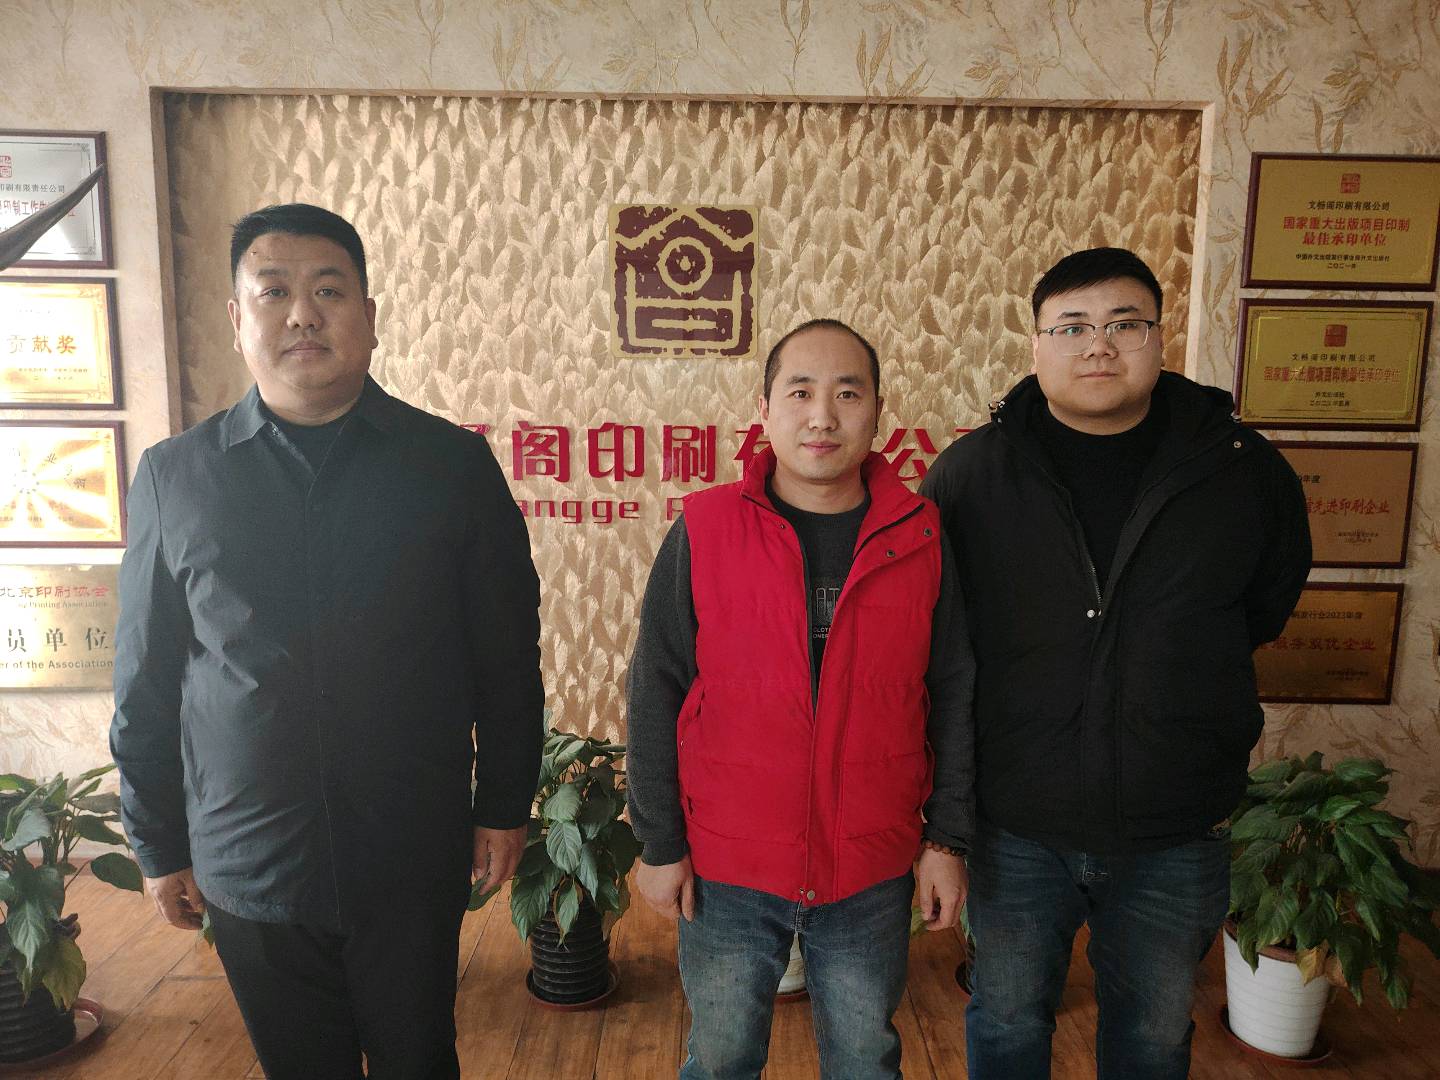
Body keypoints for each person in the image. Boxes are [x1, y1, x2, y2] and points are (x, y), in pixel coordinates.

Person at [110, 203, 544, 1080]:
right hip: (248, 854)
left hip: (409, 847)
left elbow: (505, 657)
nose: (302, 314)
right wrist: (157, 842)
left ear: (370, 317)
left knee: (420, 1059)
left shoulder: (451, 468)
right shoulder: (175, 477)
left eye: (329, 291)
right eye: (274, 292)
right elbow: (146, 677)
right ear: (238, 319)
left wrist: (503, 803)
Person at [921, 246, 1311, 1079]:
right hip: (1016, 823)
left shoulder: (1242, 472)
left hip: (1175, 821)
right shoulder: (972, 475)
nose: (1098, 345)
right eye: (1072, 327)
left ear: (1159, 337)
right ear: (1036, 346)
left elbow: (1263, 606)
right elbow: (940, 644)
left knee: (1154, 1034)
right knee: (1008, 1019)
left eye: (1124, 324)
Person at [626, 318, 975, 1079]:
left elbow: (952, 690)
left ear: (877, 410)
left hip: (870, 863)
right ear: (765, 408)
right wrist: (659, 843)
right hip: (730, 863)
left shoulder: (920, 535)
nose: (822, 416)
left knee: (865, 1057)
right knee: (721, 1056)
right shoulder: (707, 528)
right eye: (800, 392)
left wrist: (947, 841)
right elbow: (655, 686)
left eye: (847, 393)